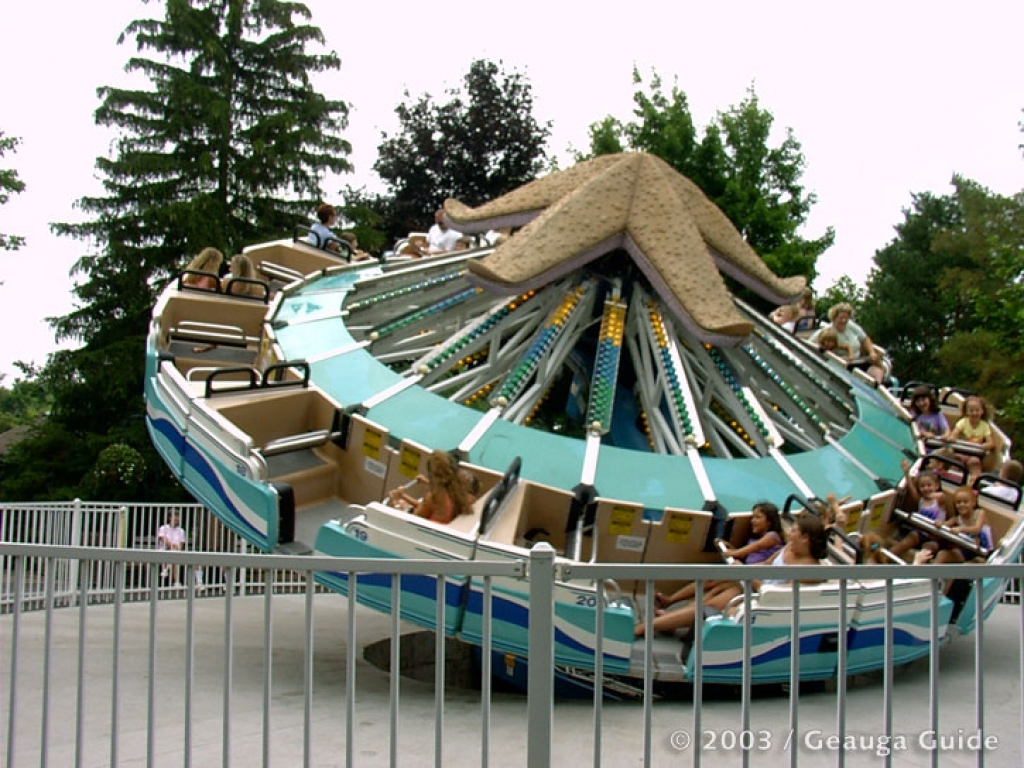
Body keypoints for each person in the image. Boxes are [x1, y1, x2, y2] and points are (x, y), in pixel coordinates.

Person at [636, 514, 827, 637]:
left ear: (806, 537)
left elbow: (775, 595)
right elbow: (766, 565)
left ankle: (647, 627)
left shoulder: (810, 570)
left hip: (762, 600)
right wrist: (744, 569)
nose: (790, 534)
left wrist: (747, 576)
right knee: (715, 583)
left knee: (712, 604)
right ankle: (668, 617)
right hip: (752, 586)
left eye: (794, 532)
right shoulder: (788, 549)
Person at [653, 502, 784, 609]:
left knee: (715, 588)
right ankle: (670, 601)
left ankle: (675, 609)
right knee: (710, 583)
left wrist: (731, 553)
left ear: (769, 521)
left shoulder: (772, 537)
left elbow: (751, 549)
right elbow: (747, 553)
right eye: (753, 517)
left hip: (750, 578)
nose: (752, 521)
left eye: (758, 517)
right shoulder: (757, 537)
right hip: (743, 572)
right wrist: (729, 547)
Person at [387, 449, 472, 524]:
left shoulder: (434, 498)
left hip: (422, 530)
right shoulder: (459, 492)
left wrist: (395, 501)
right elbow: (425, 507)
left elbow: (412, 521)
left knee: (401, 504)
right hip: (440, 526)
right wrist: (403, 495)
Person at [809, 302, 885, 383]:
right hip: (843, 365)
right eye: (841, 318)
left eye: (846, 318)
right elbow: (811, 344)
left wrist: (871, 352)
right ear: (834, 317)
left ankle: (878, 387)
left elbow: (865, 338)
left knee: (877, 370)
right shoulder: (828, 331)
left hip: (859, 361)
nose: (843, 321)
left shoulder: (851, 326)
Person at [890, 464, 951, 559]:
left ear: (936, 486)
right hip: (919, 533)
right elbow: (912, 489)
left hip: (934, 537)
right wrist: (906, 473)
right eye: (922, 486)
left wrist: (930, 495)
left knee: (928, 549)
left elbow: (941, 495)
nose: (926, 488)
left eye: (929, 485)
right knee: (905, 542)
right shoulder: (921, 500)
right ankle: (884, 559)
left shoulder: (939, 501)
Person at [935, 487, 991, 562]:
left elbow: (977, 529)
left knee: (976, 562)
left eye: (965, 502)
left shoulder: (980, 513)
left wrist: (960, 529)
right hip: (966, 551)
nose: (962, 505)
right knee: (942, 554)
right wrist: (939, 523)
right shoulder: (957, 519)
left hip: (983, 552)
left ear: (973, 503)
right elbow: (945, 525)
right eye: (958, 502)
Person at [156, 511, 203, 589]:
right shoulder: (163, 528)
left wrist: (177, 548)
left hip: (176, 552)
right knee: (174, 554)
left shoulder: (181, 531)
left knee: (177, 555)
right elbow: (162, 539)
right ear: (170, 518)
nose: (177, 519)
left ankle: (166, 569)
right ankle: (176, 581)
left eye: (178, 517)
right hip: (164, 550)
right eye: (175, 516)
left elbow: (181, 544)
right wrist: (172, 546)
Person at [943, 395, 996, 462]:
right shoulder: (963, 422)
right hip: (961, 451)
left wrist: (984, 446)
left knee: (974, 462)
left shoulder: (984, 426)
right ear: (967, 412)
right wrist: (952, 437)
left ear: (982, 411)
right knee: (957, 458)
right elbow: (954, 434)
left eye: (977, 410)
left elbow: (991, 443)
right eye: (971, 411)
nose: (974, 413)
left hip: (974, 454)